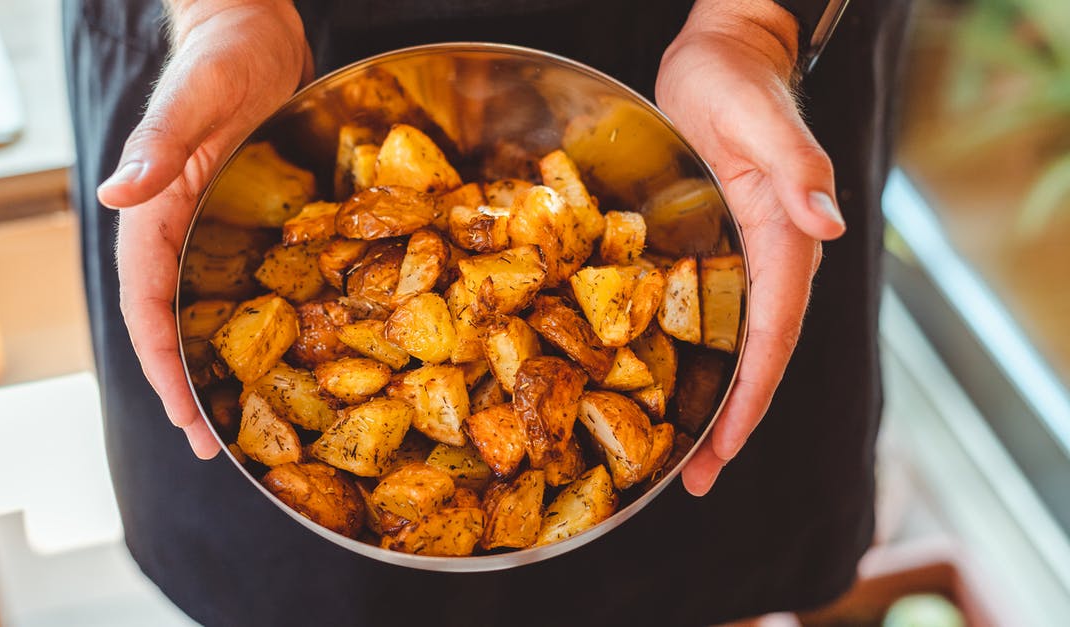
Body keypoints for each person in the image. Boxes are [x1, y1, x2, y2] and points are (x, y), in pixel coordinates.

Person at [63, 0, 910, 624]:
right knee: (298, 589)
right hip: (254, 54)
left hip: (700, 64)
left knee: (699, 572)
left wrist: (754, 26)